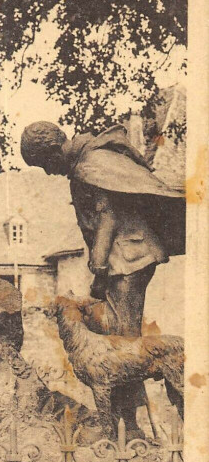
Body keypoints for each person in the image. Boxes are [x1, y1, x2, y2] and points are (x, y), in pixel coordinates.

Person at [20, 121, 185, 436]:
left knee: (125, 344)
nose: (48, 172)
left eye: (44, 165)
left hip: (127, 260)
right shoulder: (86, 161)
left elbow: (108, 216)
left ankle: (131, 428)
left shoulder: (89, 164)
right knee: (118, 338)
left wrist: (97, 268)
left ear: (54, 151)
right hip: (121, 260)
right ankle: (127, 422)